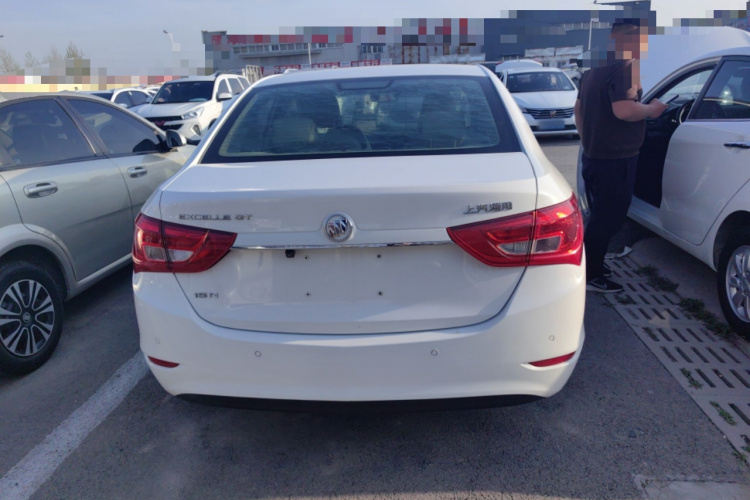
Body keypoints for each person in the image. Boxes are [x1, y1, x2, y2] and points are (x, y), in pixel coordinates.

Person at [574, 17, 668, 293]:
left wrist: (589, 139)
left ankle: (592, 264)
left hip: (594, 156)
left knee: (599, 216)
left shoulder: (595, 66)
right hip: (616, 159)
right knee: (608, 219)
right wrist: (652, 109)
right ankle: (591, 276)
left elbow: (578, 110)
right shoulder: (626, 65)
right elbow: (624, 110)